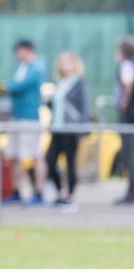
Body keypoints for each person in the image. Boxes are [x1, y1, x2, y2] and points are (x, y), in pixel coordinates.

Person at [45, 51, 91, 209]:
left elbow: (84, 107)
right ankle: (60, 192)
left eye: (67, 62)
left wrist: (83, 130)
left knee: (71, 163)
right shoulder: (58, 82)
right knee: (49, 161)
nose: (64, 66)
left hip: (71, 130)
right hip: (57, 129)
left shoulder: (80, 83)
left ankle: (71, 195)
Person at [5, 39, 46, 204]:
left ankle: (39, 192)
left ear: (25, 50)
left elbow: (16, 87)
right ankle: (16, 191)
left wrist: (14, 86)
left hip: (29, 118)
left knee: (35, 156)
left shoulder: (37, 67)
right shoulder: (21, 68)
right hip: (16, 116)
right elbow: (12, 86)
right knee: (14, 156)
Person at [114, 35, 134, 205]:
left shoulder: (126, 64)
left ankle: (133, 193)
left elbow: (127, 83)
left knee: (131, 154)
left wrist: (125, 101)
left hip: (129, 117)